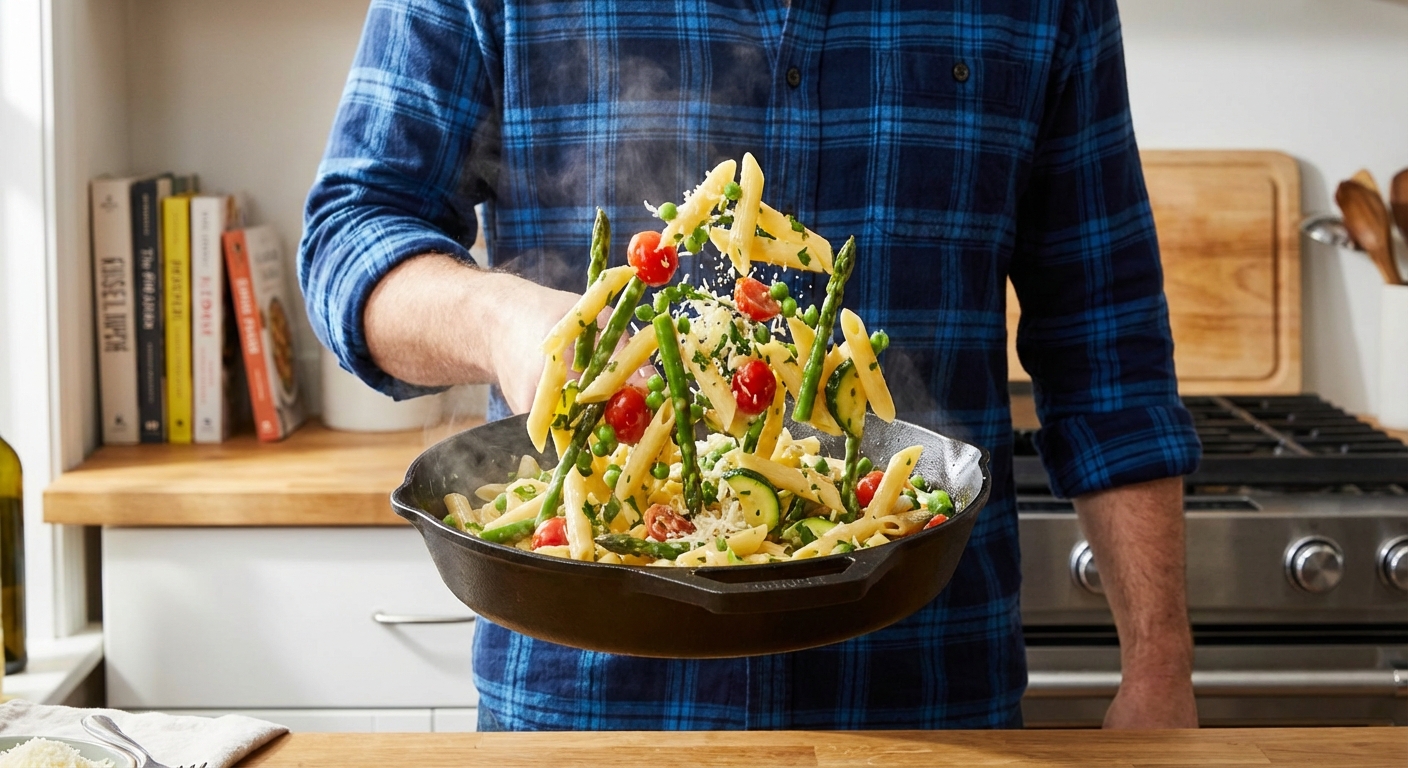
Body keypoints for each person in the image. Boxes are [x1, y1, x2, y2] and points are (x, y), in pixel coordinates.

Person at [299, 0, 1202, 730]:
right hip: (588, 705)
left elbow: (1108, 342)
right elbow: (350, 235)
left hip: (924, 693)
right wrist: (506, 322)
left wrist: (1160, 671)